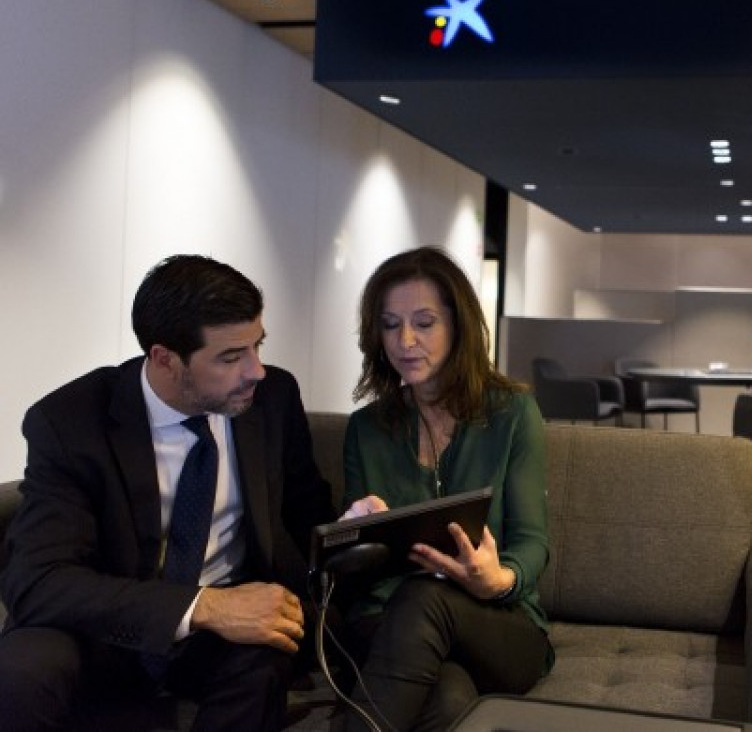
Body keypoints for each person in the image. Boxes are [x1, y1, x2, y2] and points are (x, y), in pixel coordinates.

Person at [0, 255, 335, 731]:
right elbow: (38, 580)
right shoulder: (70, 422)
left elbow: (307, 513)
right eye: (230, 357)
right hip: (105, 625)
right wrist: (202, 607)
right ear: (165, 359)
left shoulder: (273, 398)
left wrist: (353, 528)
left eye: (257, 346)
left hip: (223, 630)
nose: (256, 371)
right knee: (21, 674)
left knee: (264, 660)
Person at [340, 246, 552, 731]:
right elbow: (353, 565)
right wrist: (352, 531)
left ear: (459, 326)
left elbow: (533, 541)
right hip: (389, 621)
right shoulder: (366, 429)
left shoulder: (513, 414)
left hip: (495, 622)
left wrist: (499, 579)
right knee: (450, 699)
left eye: (424, 323)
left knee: (427, 598)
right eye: (390, 324)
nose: (405, 341)